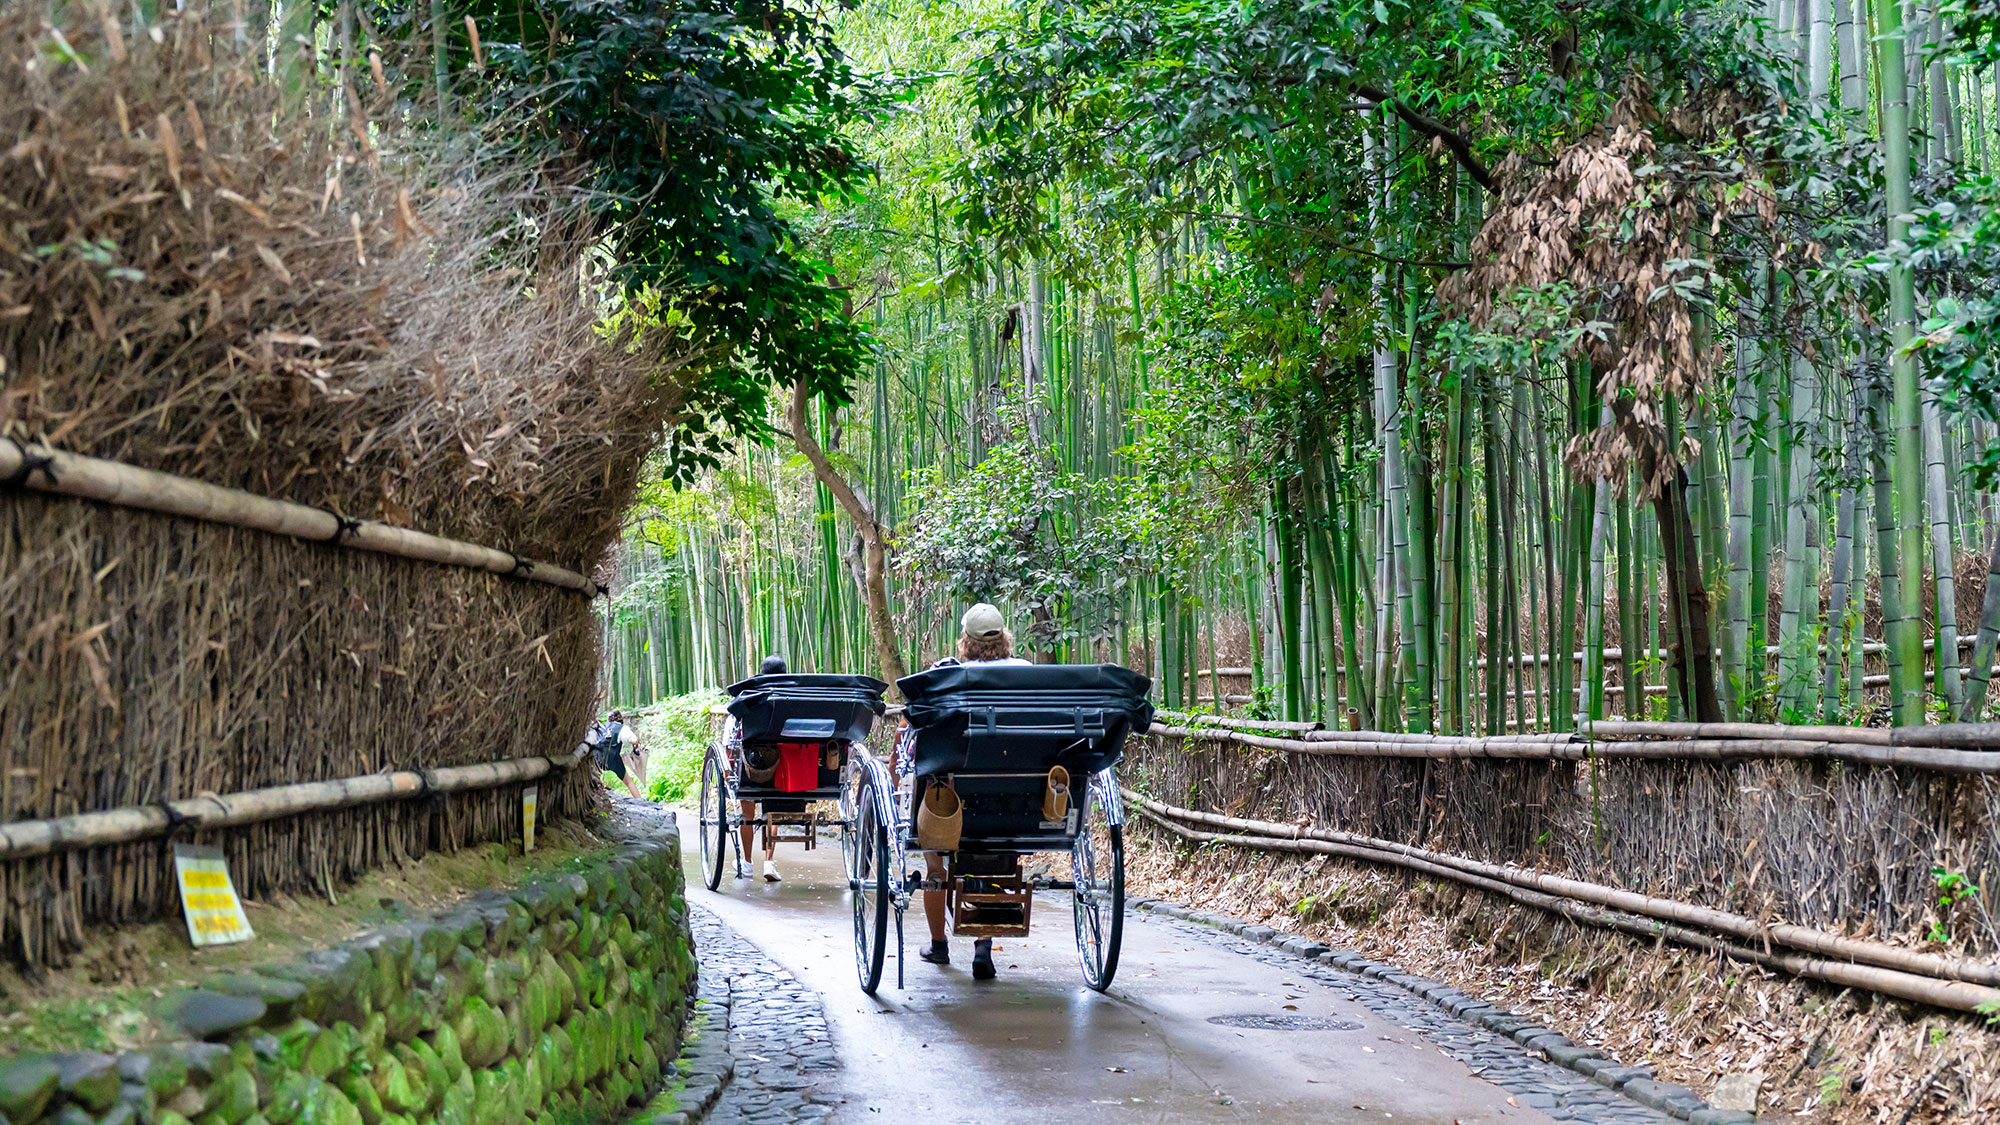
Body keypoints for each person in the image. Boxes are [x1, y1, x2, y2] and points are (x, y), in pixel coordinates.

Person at [918, 603, 1028, 980]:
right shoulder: (1028, 675)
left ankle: (939, 946)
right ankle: (983, 949)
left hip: (957, 801)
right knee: (994, 857)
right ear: (1005, 638)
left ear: (965, 641)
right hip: (1020, 799)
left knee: (935, 861)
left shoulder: (951, 676)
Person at [740, 655, 790, 882]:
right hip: (787, 768)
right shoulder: (794, 698)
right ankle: (769, 862)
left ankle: (748, 863)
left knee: (747, 813)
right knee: (773, 814)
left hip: (754, 767)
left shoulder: (749, 698)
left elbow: (733, 735)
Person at [594, 710, 644, 800]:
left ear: (608, 720)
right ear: (621, 720)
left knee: (595, 776)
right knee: (628, 781)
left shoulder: (602, 726)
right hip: (612, 757)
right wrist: (637, 742)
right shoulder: (622, 727)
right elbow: (631, 739)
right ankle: (640, 801)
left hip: (596, 753)